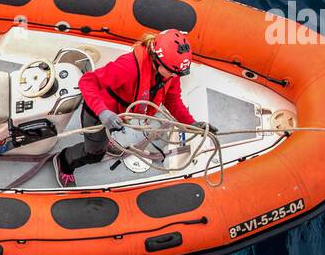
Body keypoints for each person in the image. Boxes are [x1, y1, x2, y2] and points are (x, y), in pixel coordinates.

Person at [55, 28, 214, 187]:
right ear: (157, 60)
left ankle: (105, 141)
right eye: (172, 72)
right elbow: (87, 82)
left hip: (118, 116)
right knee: (94, 154)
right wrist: (103, 112)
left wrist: (191, 124)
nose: (175, 76)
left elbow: (172, 100)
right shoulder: (128, 67)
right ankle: (64, 161)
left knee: (106, 137)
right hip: (98, 113)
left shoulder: (171, 72)